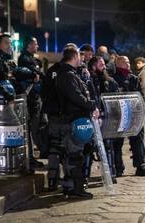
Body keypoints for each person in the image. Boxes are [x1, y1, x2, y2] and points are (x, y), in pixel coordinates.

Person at [45, 45, 99, 198]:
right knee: (75, 155)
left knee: (71, 155)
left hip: (70, 118)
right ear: (74, 57)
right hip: (71, 119)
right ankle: (77, 190)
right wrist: (91, 104)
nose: (81, 59)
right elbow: (75, 96)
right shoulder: (67, 75)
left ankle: (71, 188)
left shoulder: (67, 73)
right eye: (79, 56)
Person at [113, 56, 145, 177]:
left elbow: (139, 95)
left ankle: (140, 165)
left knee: (137, 139)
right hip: (120, 115)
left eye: (128, 62)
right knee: (117, 142)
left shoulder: (133, 78)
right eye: (125, 62)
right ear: (118, 64)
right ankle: (118, 167)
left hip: (133, 114)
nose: (128, 64)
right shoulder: (113, 79)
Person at [17, 37, 45, 168]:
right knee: (30, 129)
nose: (37, 46)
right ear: (29, 45)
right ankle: (29, 159)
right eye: (35, 43)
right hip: (30, 99)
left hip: (34, 98)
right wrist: (38, 73)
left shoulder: (31, 58)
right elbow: (35, 74)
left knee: (35, 128)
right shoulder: (25, 59)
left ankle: (33, 156)